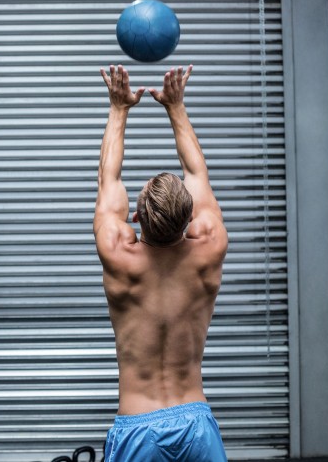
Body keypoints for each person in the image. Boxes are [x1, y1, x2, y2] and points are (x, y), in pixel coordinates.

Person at [94, 65, 228, 461]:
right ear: (191, 219)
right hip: (196, 425)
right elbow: (197, 172)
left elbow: (108, 180)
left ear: (135, 218)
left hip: (140, 426)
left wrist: (119, 109)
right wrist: (176, 106)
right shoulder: (209, 248)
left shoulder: (120, 255)